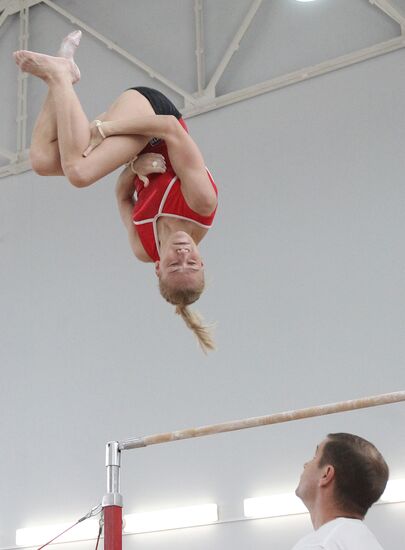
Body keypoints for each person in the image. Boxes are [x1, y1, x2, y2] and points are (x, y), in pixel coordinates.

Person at [13, 31, 218, 353]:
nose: (183, 256)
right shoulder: (201, 204)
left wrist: (133, 170)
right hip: (152, 115)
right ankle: (61, 76)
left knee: (41, 161)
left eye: (175, 266)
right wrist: (103, 130)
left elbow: (123, 196)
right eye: (192, 264)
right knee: (79, 172)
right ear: (202, 261)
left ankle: (62, 75)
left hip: (132, 146)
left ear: (158, 267)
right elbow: (170, 128)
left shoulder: (143, 248)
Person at [293, 433, 389, 549]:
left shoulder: (318, 545)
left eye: (314, 457)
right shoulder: (369, 543)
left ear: (326, 474)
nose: (305, 464)